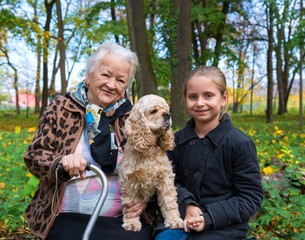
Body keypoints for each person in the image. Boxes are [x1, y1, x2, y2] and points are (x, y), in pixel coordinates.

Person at [23, 42, 153, 240]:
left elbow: (152, 165)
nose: (112, 84)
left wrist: (145, 198)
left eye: (120, 80)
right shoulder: (61, 108)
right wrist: (60, 162)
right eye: (105, 75)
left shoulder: (132, 116)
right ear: (89, 75)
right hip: (65, 215)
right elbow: (35, 157)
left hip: (124, 217)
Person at [154, 65, 264, 240]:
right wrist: (186, 204)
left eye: (208, 95)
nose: (199, 103)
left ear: (223, 98)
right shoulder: (174, 141)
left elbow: (250, 197)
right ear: (185, 99)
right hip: (181, 220)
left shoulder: (239, 143)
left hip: (224, 227)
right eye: (193, 97)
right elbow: (167, 180)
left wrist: (209, 218)